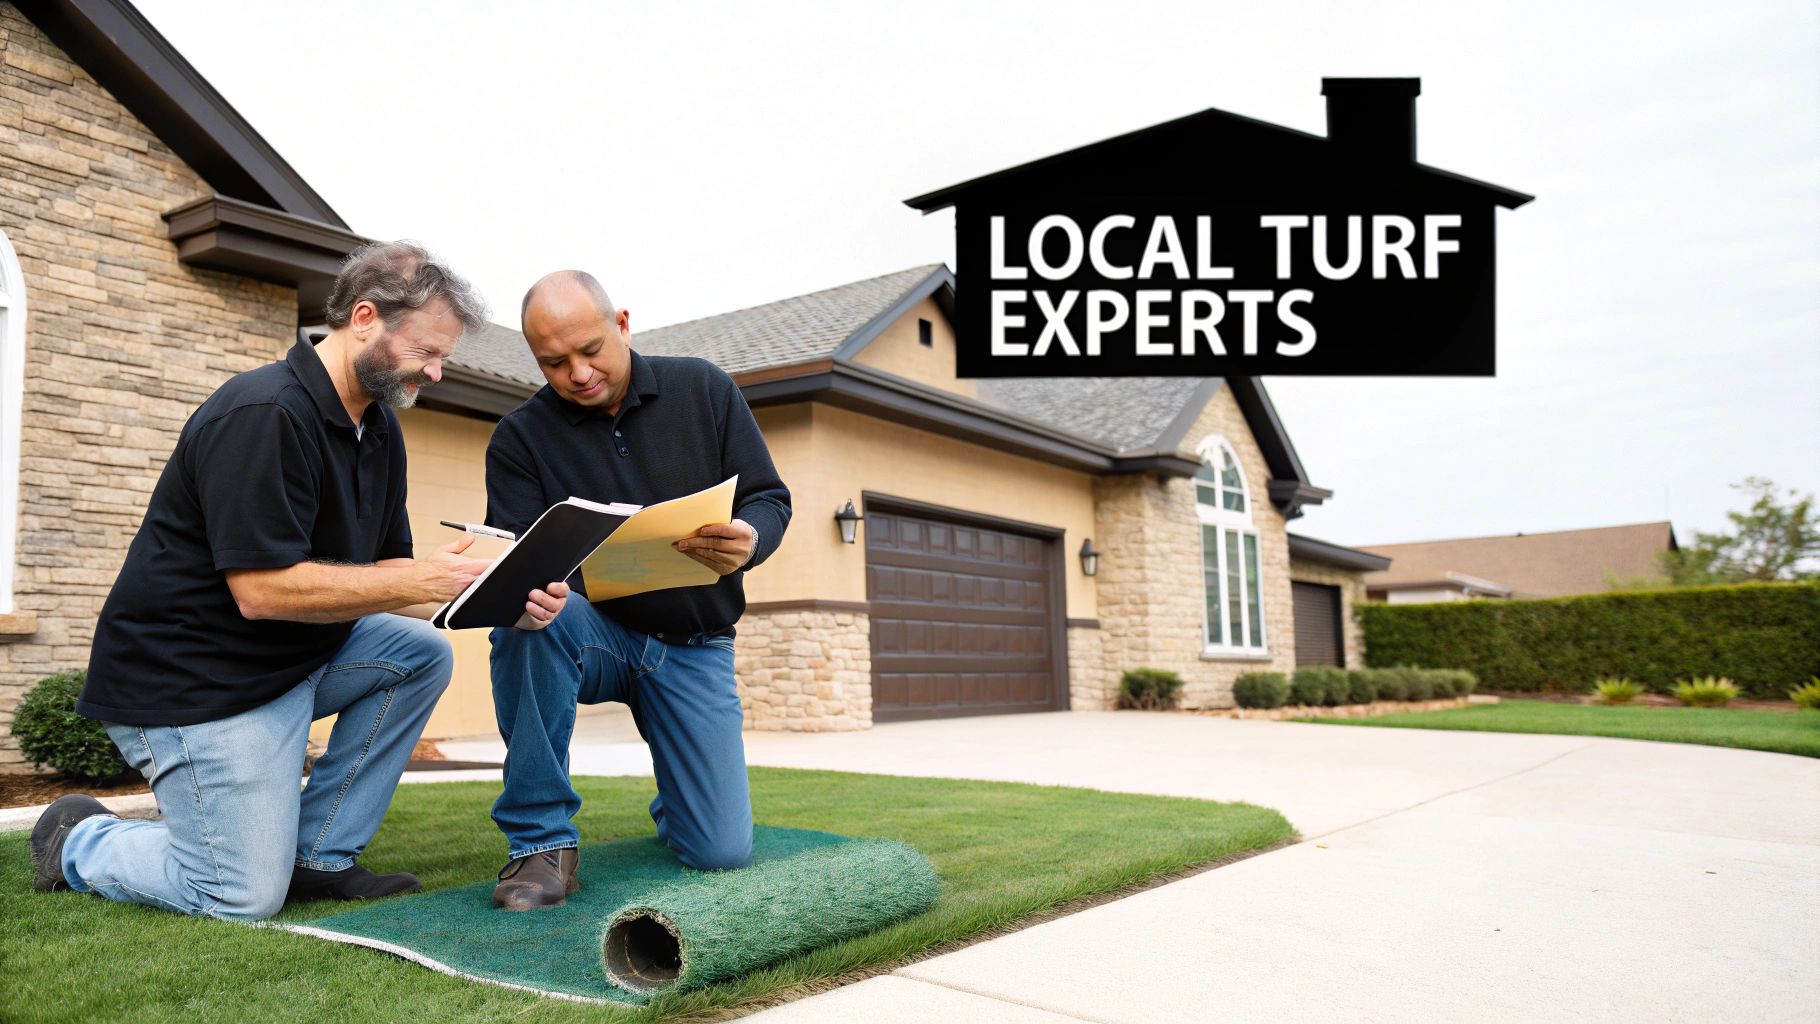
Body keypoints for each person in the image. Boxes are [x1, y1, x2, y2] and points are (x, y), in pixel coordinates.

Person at [28, 241, 571, 921]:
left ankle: (318, 858)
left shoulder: (378, 429)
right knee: (238, 895)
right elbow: (261, 591)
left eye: (444, 356)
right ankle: (81, 840)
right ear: (366, 317)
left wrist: (494, 592)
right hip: (193, 685)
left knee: (421, 653)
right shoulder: (264, 414)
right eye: (428, 351)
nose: (436, 370)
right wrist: (426, 579)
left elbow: (388, 576)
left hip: (289, 664)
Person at [483, 270, 791, 910]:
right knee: (529, 622)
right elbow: (519, 559)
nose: (577, 373)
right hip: (594, 634)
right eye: (554, 362)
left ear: (621, 324)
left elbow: (769, 498)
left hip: (694, 646)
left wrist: (750, 538)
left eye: (590, 350)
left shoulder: (702, 388)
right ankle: (540, 844)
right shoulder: (519, 437)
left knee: (720, 852)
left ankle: (683, 784)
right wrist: (530, 592)